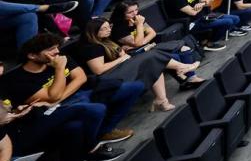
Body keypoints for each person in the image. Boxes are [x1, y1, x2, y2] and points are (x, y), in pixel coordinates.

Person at [0, 35, 130, 161]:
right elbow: (52, 97)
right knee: (93, 110)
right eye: (51, 49)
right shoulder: (15, 78)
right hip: (16, 134)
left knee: (74, 128)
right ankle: (91, 149)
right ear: (32, 55)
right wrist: (60, 68)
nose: (56, 52)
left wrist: (17, 110)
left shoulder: (3, 82)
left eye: (0, 66)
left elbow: (77, 80)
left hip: (27, 120)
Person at [69, 18, 199, 113]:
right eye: (104, 28)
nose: (108, 30)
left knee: (153, 63)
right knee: (151, 57)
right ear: (93, 31)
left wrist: (123, 53)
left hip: (120, 69)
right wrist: (121, 59)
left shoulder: (104, 41)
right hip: (109, 78)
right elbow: (98, 70)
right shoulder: (91, 47)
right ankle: (181, 67)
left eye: (109, 27)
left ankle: (162, 100)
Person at [108, 0, 202, 89]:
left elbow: (152, 33)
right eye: (130, 12)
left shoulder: (137, 18)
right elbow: (137, 43)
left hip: (148, 47)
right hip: (134, 54)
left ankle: (191, 77)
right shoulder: (118, 27)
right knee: (172, 57)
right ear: (121, 14)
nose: (135, 13)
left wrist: (142, 42)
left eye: (136, 10)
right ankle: (186, 81)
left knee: (184, 49)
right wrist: (139, 26)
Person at [162, 0, 244, 52]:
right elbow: (192, 12)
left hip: (205, 16)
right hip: (193, 22)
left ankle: (206, 38)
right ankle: (208, 43)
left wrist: (202, 3)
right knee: (228, 22)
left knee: (236, 18)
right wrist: (202, 3)